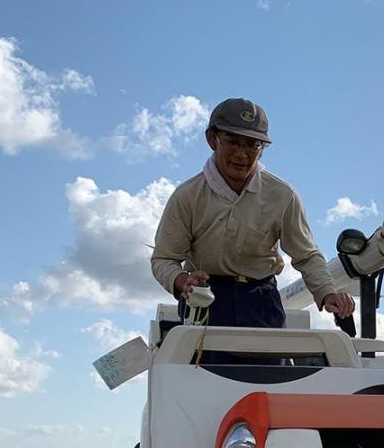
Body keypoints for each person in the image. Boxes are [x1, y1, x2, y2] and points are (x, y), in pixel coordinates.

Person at [151, 97, 355, 329]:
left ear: (262, 149)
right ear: (212, 139)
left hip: (262, 302)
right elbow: (164, 258)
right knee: (203, 367)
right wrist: (181, 280)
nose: (242, 154)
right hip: (204, 302)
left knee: (268, 367)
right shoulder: (187, 196)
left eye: (252, 145)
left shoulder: (283, 195)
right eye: (232, 142)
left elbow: (306, 256)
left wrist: (328, 294)